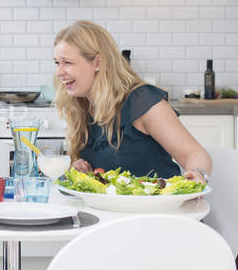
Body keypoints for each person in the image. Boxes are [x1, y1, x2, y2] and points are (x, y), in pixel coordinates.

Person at [53, 20, 212, 182]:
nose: (59, 72)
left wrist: (197, 175)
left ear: (97, 63)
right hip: (108, 207)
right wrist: (80, 171)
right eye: (57, 63)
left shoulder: (141, 101)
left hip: (159, 204)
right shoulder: (82, 107)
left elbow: (195, 154)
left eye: (67, 63)